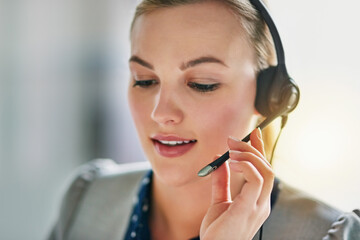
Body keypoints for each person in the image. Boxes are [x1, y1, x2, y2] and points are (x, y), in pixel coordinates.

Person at [48, 0, 360, 239]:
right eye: (144, 79)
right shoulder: (86, 200)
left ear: (270, 97)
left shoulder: (328, 233)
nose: (161, 113)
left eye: (202, 84)